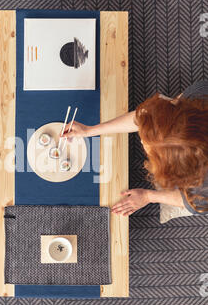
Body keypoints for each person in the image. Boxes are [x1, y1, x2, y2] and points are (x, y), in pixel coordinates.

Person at [62, 82, 208, 216]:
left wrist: (149, 196)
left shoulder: (202, 191)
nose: (141, 140)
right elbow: (147, 117)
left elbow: (191, 202)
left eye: (149, 148)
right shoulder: (199, 95)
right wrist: (89, 131)